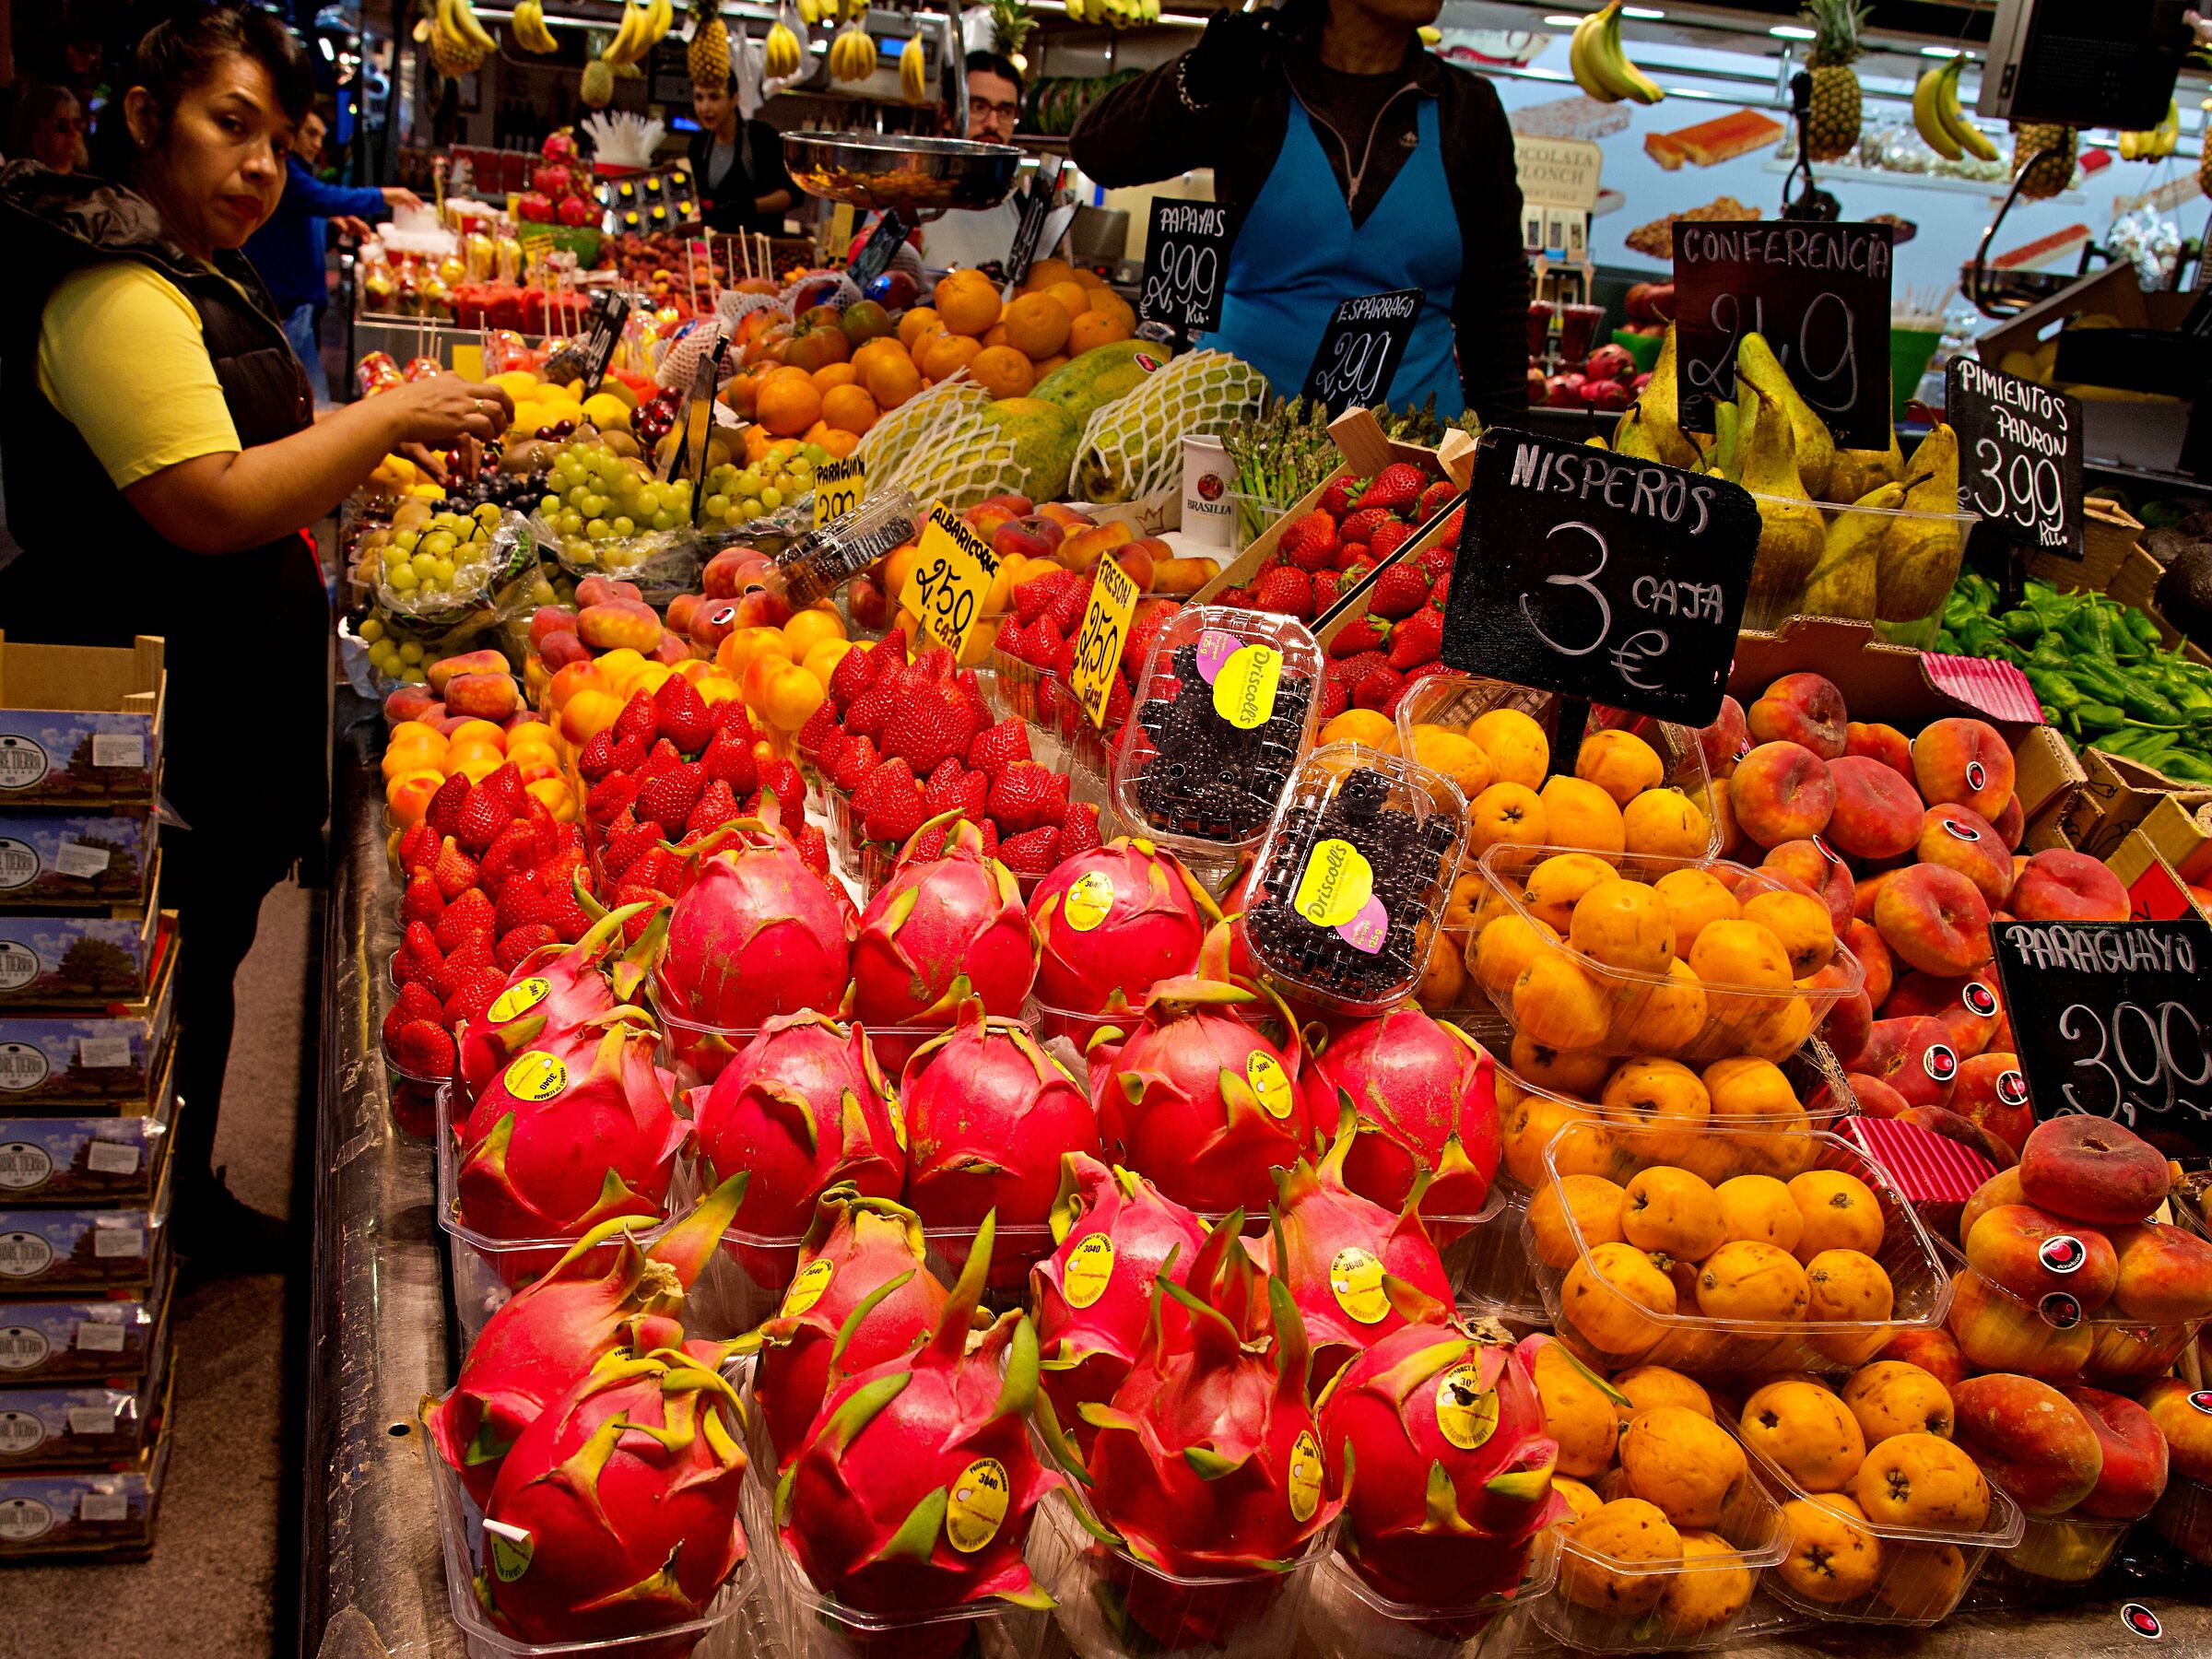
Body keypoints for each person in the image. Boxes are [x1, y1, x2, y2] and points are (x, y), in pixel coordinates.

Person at [0, 6, 512, 1263]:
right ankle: (130, 1233)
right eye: (231, 126)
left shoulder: (180, 266)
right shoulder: (115, 290)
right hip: (145, 720)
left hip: (201, 714)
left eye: (279, 143)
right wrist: (393, 423)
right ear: (141, 118)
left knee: (200, 962)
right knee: (147, 972)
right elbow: (209, 499)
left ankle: (177, 1209)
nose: (259, 167)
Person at [1069, 0, 1528, 423]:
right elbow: (1098, 152)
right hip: (1233, 432)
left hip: (1407, 457)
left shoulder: (1468, 110)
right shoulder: (1257, 82)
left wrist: (1506, 449)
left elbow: (1496, 298)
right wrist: (1197, 78)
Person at [244, 103, 420, 402]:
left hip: (297, 301)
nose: (316, 143)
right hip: (286, 303)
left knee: (301, 392)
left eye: (321, 137)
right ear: (291, 132)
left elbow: (309, 211)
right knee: (311, 400)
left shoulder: (297, 173)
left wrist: (334, 225)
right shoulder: (286, 173)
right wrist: (384, 195)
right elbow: (321, 198)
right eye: (310, 134)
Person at [920, 52, 1030, 272]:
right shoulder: (907, 198)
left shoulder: (1020, 206)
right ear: (946, 114)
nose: (993, 123)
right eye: (978, 107)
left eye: (1006, 111)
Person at [688, 72, 794, 235]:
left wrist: (749, 207)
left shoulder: (762, 138)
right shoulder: (698, 144)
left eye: (714, 97)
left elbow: (789, 195)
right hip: (712, 247)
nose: (705, 107)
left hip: (758, 247)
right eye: (699, 98)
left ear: (734, 99)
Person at [12, 84, 88, 173]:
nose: (73, 132)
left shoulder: (95, 185)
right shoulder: (15, 181)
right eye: (62, 126)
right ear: (36, 131)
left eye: (78, 123)